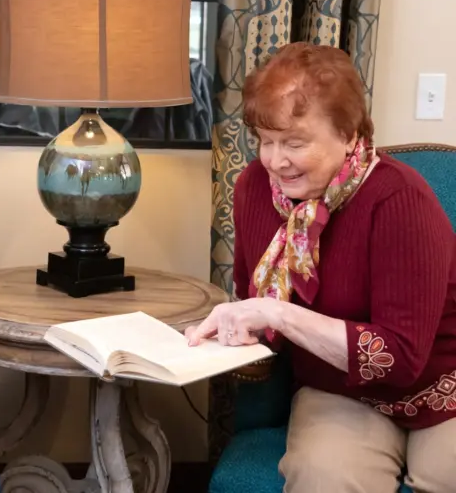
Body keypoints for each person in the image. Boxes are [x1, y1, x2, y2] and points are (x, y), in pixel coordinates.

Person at [186, 42, 456, 492]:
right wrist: (218, 334)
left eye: (294, 143)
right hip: (339, 389)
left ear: (350, 135)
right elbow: (258, 309)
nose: (275, 161)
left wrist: (278, 314)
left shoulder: (398, 198)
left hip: (441, 383)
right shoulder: (255, 188)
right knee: (322, 477)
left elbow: (401, 359)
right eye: (265, 141)